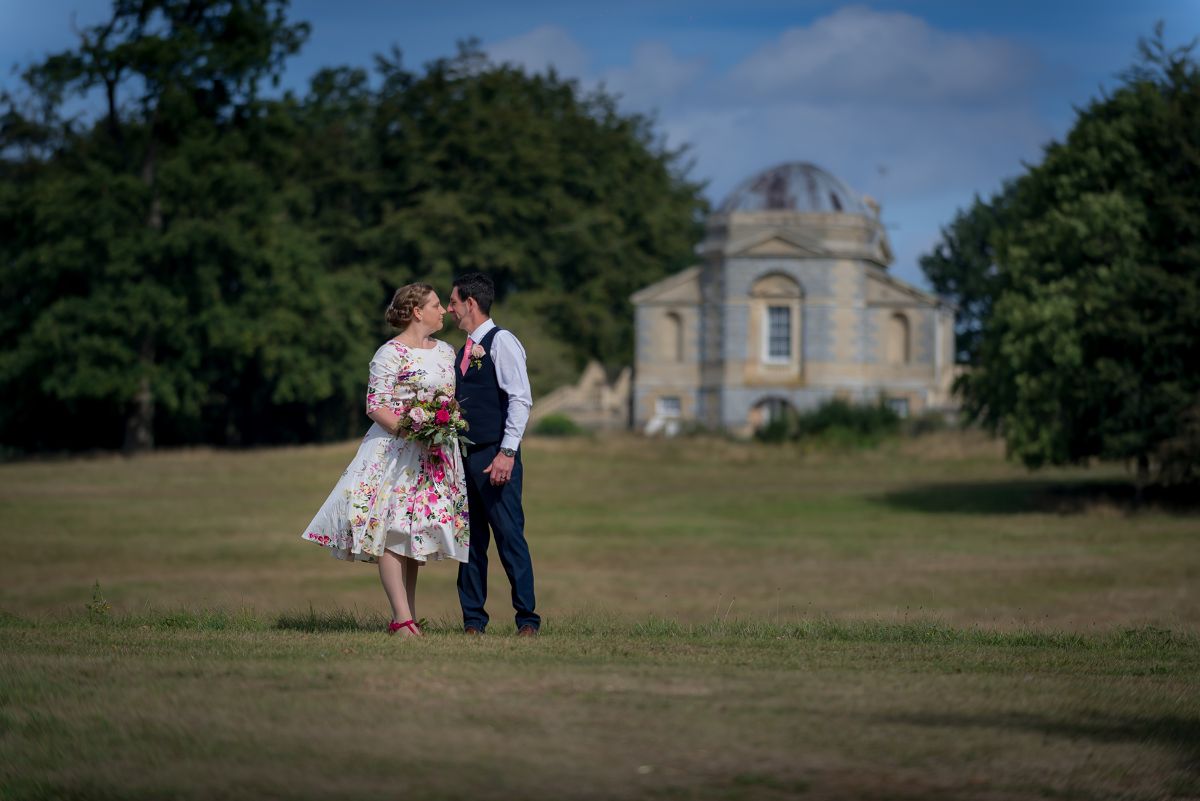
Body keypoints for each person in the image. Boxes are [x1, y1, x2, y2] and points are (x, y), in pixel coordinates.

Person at [300, 283, 469, 637]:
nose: (444, 311)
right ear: (417, 311)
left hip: (434, 454)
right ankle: (401, 619)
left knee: (414, 534)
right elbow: (376, 405)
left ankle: (408, 616)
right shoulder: (389, 354)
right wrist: (413, 432)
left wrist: (443, 426)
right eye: (437, 305)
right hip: (396, 452)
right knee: (391, 531)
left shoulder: (446, 352)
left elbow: (449, 401)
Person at [447, 272, 540, 636]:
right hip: (464, 457)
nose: (450, 309)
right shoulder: (464, 351)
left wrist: (507, 452)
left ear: (471, 303)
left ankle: (527, 619)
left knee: (509, 536)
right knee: (469, 541)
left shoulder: (503, 343)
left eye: (453, 302)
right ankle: (473, 620)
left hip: (495, 455)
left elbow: (520, 399)